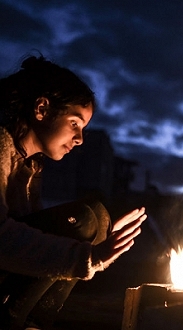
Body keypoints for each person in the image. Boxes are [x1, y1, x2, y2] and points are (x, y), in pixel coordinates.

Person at [0, 55, 147, 329]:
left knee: (99, 218)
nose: (79, 139)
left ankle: (34, 323)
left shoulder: (30, 165)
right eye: (74, 123)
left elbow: (33, 237)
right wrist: (88, 256)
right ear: (41, 109)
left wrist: (103, 242)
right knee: (84, 219)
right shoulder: (0, 145)